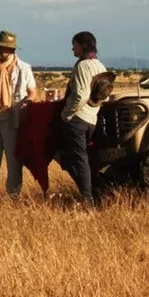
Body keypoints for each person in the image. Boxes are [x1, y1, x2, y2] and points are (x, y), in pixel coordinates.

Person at [0, 30, 37, 196]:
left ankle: (13, 196)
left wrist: (28, 102)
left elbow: (32, 91)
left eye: (2, 48)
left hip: (13, 120)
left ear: (11, 50)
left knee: (13, 162)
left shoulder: (23, 68)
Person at [58, 31, 108, 205]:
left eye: (75, 44)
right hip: (92, 118)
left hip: (78, 119)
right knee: (83, 159)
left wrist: (67, 114)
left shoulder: (81, 66)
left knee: (77, 160)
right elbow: (104, 95)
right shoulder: (100, 66)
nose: (72, 48)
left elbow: (80, 95)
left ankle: (88, 200)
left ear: (83, 46)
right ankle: (95, 194)